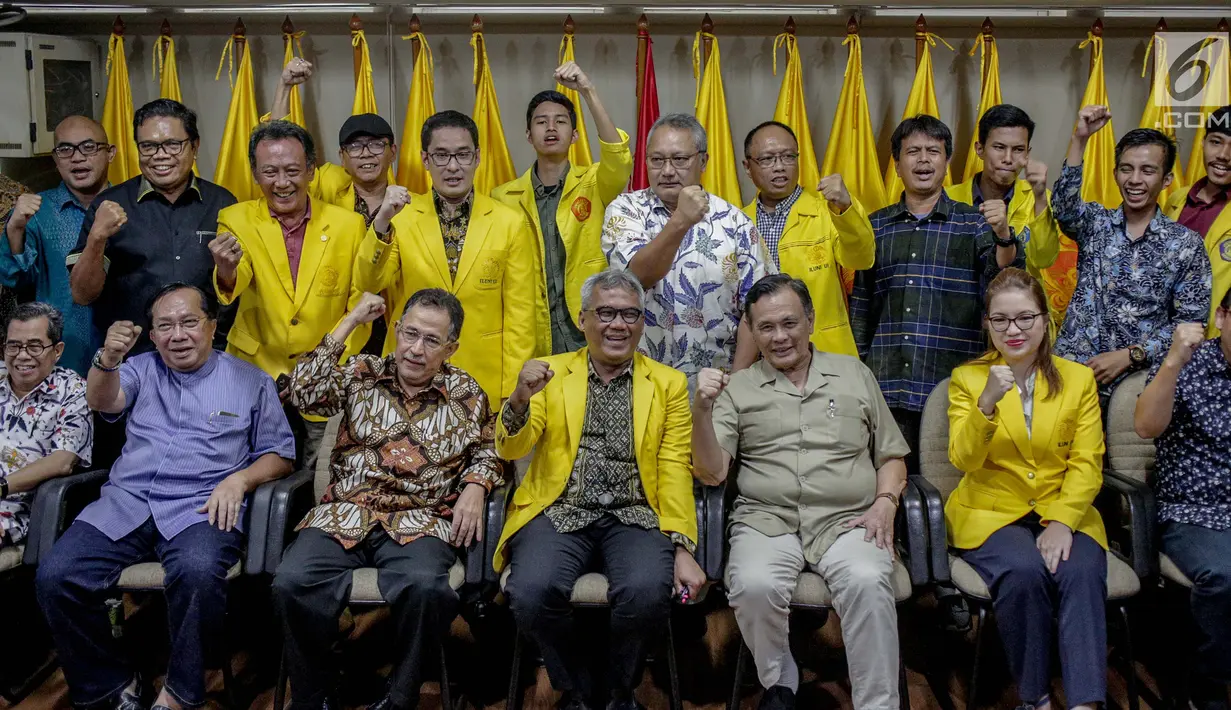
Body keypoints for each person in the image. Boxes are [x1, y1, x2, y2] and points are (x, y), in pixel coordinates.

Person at [35, 283, 296, 710]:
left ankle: (180, 692)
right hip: (128, 501)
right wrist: (108, 359)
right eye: (166, 326)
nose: (178, 335)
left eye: (190, 322)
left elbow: (280, 454)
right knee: (56, 576)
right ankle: (110, 684)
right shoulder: (138, 369)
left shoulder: (250, 381)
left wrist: (240, 481)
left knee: (196, 572)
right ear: (153, 335)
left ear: (212, 326)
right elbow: (103, 399)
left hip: (202, 505)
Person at [274, 289, 503, 710]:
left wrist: (476, 484)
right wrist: (349, 322)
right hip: (345, 512)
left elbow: (491, 449)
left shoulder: (466, 392)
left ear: (451, 347)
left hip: (420, 519)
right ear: (396, 330)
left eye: (431, 340)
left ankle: (401, 695)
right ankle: (313, 696)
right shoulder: (363, 372)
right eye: (410, 334)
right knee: (292, 582)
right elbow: (303, 393)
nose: (416, 349)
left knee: (425, 589)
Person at [691, 274, 909, 710]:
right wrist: (701, 410)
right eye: (766, 327)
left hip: (848, 518)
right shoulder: (739, 389)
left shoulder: (854, 374)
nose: (780, 336)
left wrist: (886, 503)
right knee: (752, 583)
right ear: (751, 332)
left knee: (868, 580)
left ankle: (877, 703)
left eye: (789, 323)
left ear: (810, 320)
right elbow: (712, 473)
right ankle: (780, 682)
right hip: (765, 519)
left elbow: (891, 455)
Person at [492, 268, 704, 710]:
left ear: (642, 323)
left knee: (647, 593)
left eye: (630, 314)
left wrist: (682, 544)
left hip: (636, 513)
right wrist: (518, 400)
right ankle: (578, 686)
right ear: (584, 319)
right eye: (605, 313)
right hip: (560, 510)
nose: (618, 324)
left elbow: (674, 468)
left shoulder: (667, 384)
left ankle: (618, 686)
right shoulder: (552, 373)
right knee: (530, 592)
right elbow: (514, 448)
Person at [947, 267, 1108, 710]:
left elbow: (1088, 462)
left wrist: (1063, 520)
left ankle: (1085, 702)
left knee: (1080, 569)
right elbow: (962, 460)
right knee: (1023, 571)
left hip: (1063, 506)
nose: (1013, 330)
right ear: (988, 324)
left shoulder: (1077, 379)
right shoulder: (968, 378)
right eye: (1000, 320)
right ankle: (1034, 696)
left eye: (1025, 318)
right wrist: (985, 406)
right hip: (991, 511)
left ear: (1044, 319)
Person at [850, 114, 1021, 464]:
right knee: (889, 487)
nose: (924, 159)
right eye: (913, 151)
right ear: (897, 165)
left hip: (951, 386)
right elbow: (862, 308)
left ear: (947, 162)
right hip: (887, 387)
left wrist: (1004, 234)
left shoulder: (974, 223)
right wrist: (859, 372)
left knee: (947, 490)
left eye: (934, 151)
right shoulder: (875, 226)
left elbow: (1007, 277)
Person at [210, 120, 368, 471]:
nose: (282, 183)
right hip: (255, 374)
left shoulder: (349, 225)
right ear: (254, 173)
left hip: (325, 382)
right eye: (270, 172)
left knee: (320, 480)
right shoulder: (235, 219)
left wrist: (327, 368)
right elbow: (235, 280)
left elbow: (360, 308)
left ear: (312, 170)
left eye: (293, 170)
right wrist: (226, 268)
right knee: (250, 476)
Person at [358, 110, 535, 404]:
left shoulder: (509, 221)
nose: (453, 166)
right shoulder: (402, 218)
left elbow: (521, 315)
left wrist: (510, 389)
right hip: (410, 373)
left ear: (477, 157)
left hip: (484, 377)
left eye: (463, 155)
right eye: (441, 155)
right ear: (425, 160)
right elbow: (369, 281)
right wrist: (381, 223)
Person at [602, 113, 771, 392]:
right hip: (640, 387)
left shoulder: (736, 223)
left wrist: (736, 387)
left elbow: (756, 310)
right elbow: (635, 278)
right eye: (657, 160)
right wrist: (681, 220)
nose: (667, 171)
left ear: (702, 161)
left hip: (716, 389)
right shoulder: (625, 211)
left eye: (679, 160)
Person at [1051, 106, 1211, 399]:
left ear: (1166, 180)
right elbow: (1063, 207)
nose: (1135, 179)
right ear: (1115, 174)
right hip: (1072, 377)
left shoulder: (1185, 245)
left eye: (1147, 170)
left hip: (1137, 388)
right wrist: (1080, 139)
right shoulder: (1095, 224)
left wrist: (1131, 355)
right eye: (1127, 168)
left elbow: (1191, 326)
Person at [67, 99, 238, 354]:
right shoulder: (109, 205)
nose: (160, 155)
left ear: (195, 146)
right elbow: (82, 295)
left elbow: (238, 288)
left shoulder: (223, 203)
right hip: (134, 360)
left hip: (208, 359)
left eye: (172, 144)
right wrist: (96, 238)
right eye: (148, 146)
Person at [491, 62, 633, 356]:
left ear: (576, 134)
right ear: (529, 135)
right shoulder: (503, 197)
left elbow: (618, 160)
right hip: (530, 333)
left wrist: (588, 91)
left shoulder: (594, 183)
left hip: (589, 329)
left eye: (561, 121)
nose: (551, 127)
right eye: (542, 122)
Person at [1134, 287, 1231, 710]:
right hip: (1194, 510)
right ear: (1222, 317)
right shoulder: (1189, 364)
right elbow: (1145, 426)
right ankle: (1208, 684)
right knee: (1225, 576)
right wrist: (1172, 361)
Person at [741, 121, 874, 356]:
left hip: (823, 355)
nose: (779, 166)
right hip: (759, 359)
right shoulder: (737, 222)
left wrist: (846, 208)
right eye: (767, 159)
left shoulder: (828, 212)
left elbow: (862, 258)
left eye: (788, 157)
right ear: (748, 167)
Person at [0, 116, 114, 374]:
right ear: (55, 159)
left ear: (111, 153)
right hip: (62, 363)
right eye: (65, 149)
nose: (77, 157)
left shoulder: (131, 206)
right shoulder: (38, 210)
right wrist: (15, 229)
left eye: (89, 147)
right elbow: (14, 280)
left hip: (126, 359)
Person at [0, 302, 92, 547]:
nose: (22, 355)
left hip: (15, 510)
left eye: (34, 346)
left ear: (58, 350)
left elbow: (62, 461)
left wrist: (2, 487)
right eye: (14, 346)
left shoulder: (72, 391)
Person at [946, 104, 1061, 284]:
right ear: (980, 149)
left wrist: (1039, 196)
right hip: (962, 306)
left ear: (1027, 153)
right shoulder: (947, 198)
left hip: (1020, 307)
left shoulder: (1039, 197)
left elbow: (1044, 260)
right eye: (999, 147)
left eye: (1018, 150)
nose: (1008, 159)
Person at [1164, 105, 1231, 338]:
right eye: (1216, 142)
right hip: (1159, 342)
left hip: (1215, 349)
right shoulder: (1176, 199)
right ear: (1202, 143)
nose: (1223, 154)